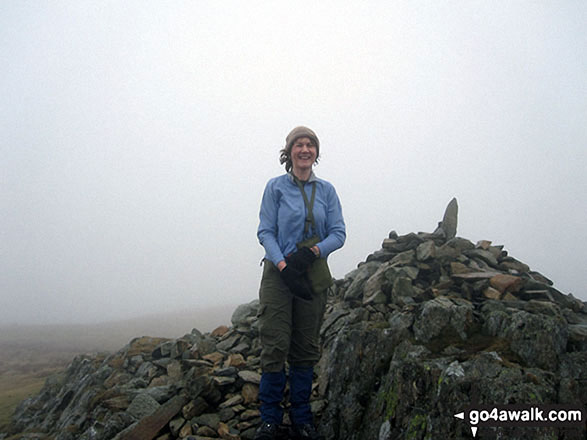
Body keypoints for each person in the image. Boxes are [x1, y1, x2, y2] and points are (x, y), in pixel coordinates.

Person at [255, 126, 346, 440]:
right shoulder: (275, 187)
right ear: (289, 151)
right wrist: (283, 264)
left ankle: (301, 419)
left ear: (316, 153)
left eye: (310, 145)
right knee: (275, 344)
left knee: (306, 347)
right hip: (278, 276)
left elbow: (339, 232)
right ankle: (269, 420)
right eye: (299, 144)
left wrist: (313, 253)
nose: (305, 149)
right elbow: (265, 231)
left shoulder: (328, 191)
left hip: (312, 275)